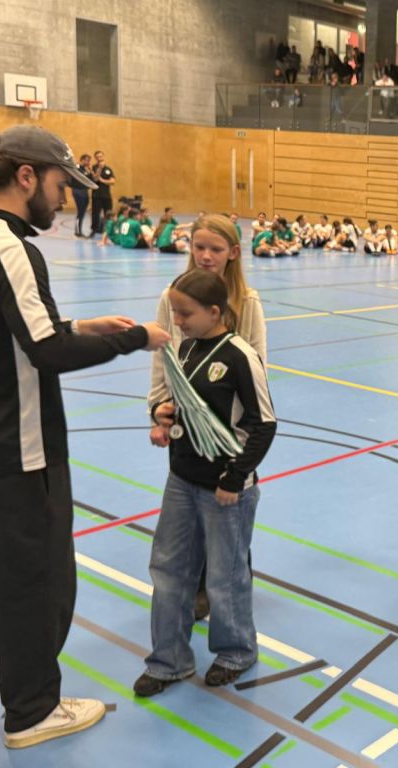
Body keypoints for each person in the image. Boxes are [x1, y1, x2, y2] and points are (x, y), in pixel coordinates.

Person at [0, 125, 170, 749]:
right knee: (35, 583)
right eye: (61, 185)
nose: (66, 199)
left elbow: (0, 328)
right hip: (18, 450)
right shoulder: (10, 247)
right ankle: (32, 710)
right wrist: (133, 338)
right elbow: (47, 352)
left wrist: (81, 324)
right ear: (26, 176)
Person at [134, 269, 276, 697]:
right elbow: (187, 406)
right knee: (169, 570)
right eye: (174, 312)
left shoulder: (240, 356)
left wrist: (234, 477)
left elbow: (264, 424)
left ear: (215, 312)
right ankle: (169, 660)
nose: (177, 321)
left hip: (225, 490)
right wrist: (163, 416)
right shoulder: (186, 348)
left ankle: (237, 652)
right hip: (181, 480)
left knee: (224, 576)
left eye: (185, 313)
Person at [147, 214, 267, 617]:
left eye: (215, 249)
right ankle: (197, 585)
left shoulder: (247, 301)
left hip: (229, 432)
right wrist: (157, 410)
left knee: (230, 512)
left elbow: (257, 365)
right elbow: (163, 359)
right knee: (187, 508)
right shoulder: (173, 296)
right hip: (186, 427)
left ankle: (231, 587)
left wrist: (241, 433)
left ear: (233, 253)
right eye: (199, 247)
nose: (205, 256)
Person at [89, 149, 114, 237]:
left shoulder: (108, 169)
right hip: (96, 195)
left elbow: (113, 181)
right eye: (97, 157)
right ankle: (94, 230)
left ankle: (108, 230)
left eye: (101, 156)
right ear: (95, 158)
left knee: (108, 213)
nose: (99, 158)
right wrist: (100, 168)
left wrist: (102, 180)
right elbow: (95, 179)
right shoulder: (93, 168)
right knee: (95, 213)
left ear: (103, 156)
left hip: (106, 195)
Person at [69, 153, 92, 237]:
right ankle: (77, 231)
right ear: (82, 160)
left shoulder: (85, 169)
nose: (88, 162)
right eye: (87, 160)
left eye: (89, 160)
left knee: (82, 212)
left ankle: (79, 230)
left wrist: (90, 171)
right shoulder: (77, 168)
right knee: (80, 211)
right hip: (78, 191)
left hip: (84, 191)